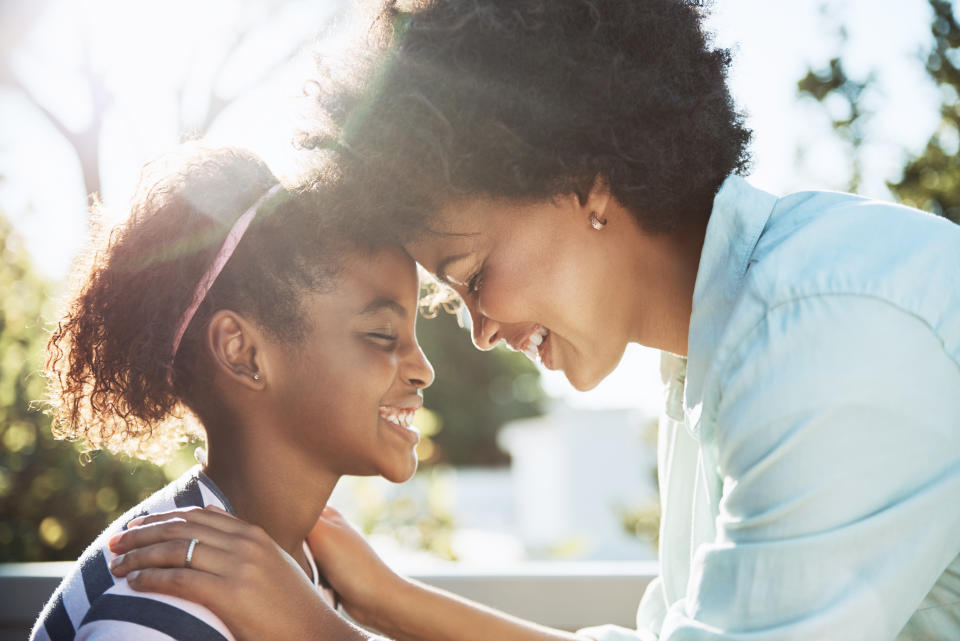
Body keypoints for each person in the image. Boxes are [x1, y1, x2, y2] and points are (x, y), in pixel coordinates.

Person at [103, 1, 960, 640]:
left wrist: (319, 632)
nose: (476, 331)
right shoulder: (716, 350)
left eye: (473, 274)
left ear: (584, 178)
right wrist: (385, 598)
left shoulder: (820, 337)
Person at [30, 143, 434, 641]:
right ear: (242, 352)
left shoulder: (293, 574)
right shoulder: (156, 608)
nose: (424, 371)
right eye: (382, 336)